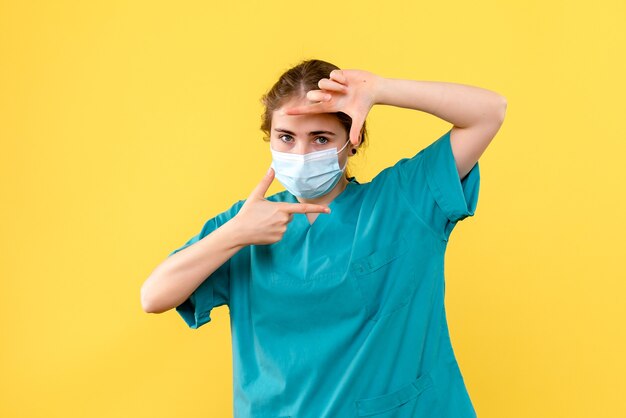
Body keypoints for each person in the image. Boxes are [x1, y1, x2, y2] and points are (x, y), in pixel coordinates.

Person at [141, 59, 506, 418]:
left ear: (353, 140)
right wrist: (236, 234)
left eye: (320, 138)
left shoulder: (403, 201)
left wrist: (379, 90)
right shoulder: (247, 223)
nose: (301, 154)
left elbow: (489, 111)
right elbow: (153, 296)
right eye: (286, 137)